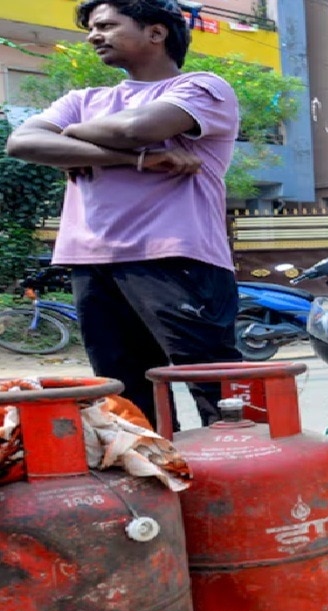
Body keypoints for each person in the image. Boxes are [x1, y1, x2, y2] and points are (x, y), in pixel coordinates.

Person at [6, 0, 241, 424]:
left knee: (216, 388)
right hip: (90, 261)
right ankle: (155, 482)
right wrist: (136, 160)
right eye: (92, 28)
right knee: (125, 400)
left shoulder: (202, 88)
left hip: (175, 257)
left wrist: (72, 138)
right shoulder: (85, 97)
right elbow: (22, 143)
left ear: (156, 32)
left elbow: (137, 129)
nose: (94, 36)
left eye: (108, 26)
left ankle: (240, 483)